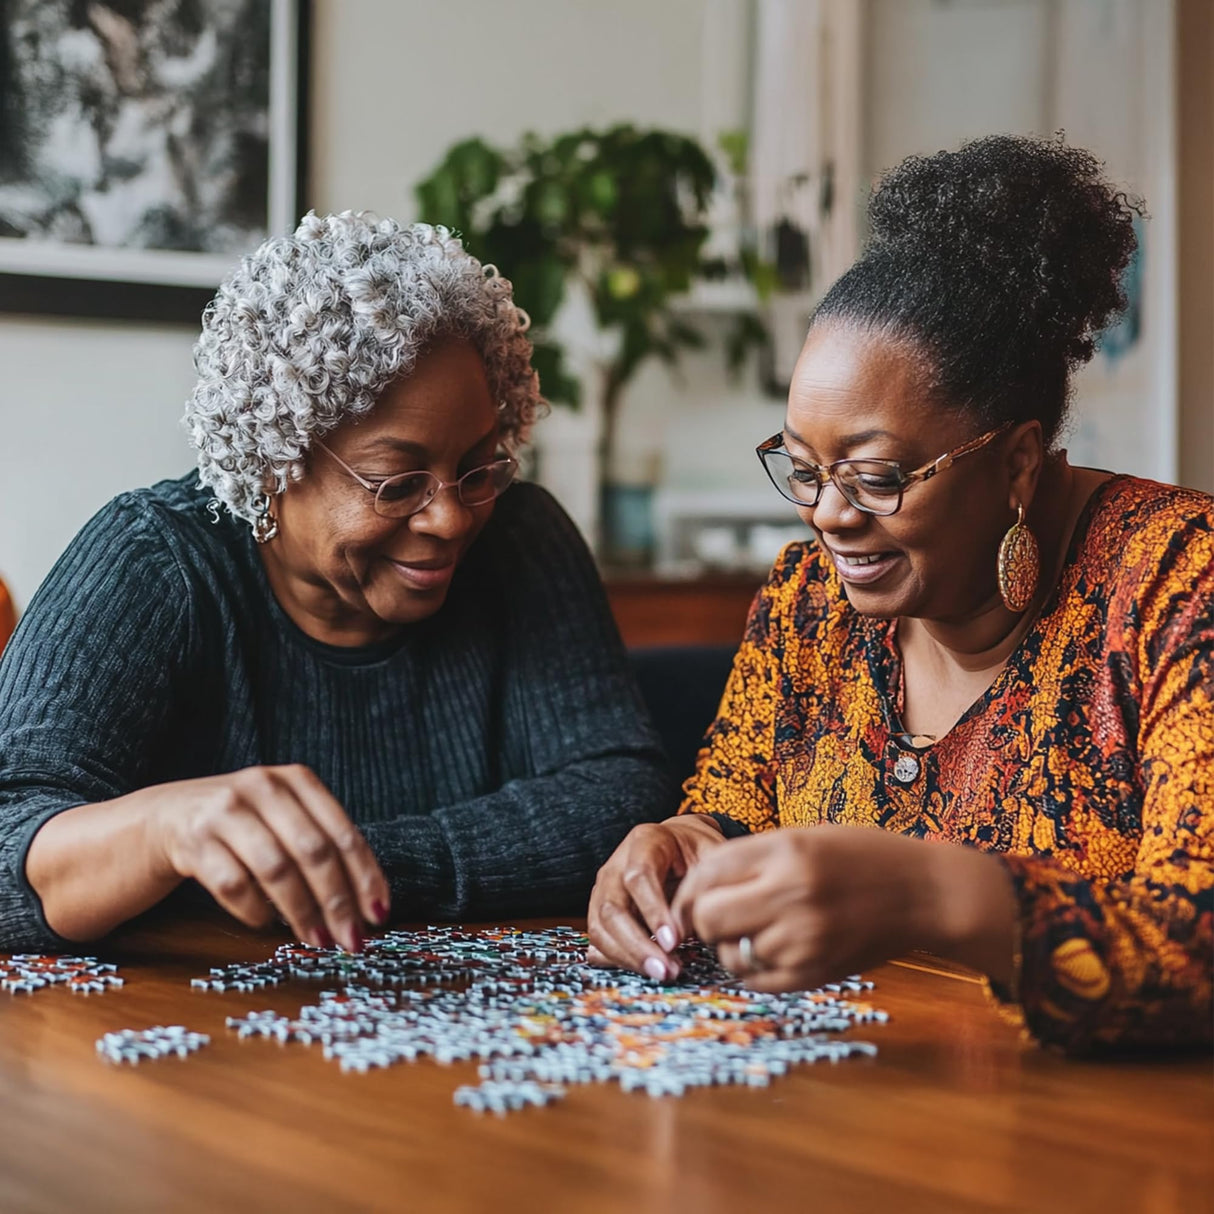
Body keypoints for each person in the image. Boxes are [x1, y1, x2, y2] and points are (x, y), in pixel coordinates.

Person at [588, 135, 1213, 1054]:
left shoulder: (1178, 583)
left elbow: (1196, 944)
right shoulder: (808, 601)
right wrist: (678, 846)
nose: (828, 517)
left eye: (876, 477)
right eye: (801, 469)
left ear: (1015, 463)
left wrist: (930, 893)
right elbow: (731, 800)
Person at [0, 212, 670, 954]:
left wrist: (352, 866)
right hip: (203, 1044)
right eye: (395, 482)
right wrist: (163, 831)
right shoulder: (151, 563)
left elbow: (618, 795)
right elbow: (9, 840)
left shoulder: (521, 539)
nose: (450, 518)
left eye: (478, 465)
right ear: (272, 461)